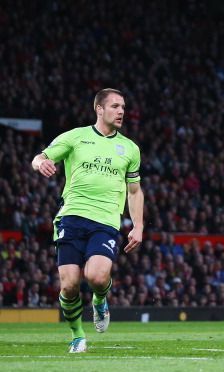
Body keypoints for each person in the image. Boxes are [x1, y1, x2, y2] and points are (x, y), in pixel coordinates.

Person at [31, 88, 144, 353]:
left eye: (123, 107)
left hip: (105, 221)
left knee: (95, 276)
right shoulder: (75, 137)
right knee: (69, 284)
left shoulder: (129, 148)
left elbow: (134, 190)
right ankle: (77, 335)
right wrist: (40, 165)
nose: (121, 112)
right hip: (71, 217)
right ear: (99, 109)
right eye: (115, 106)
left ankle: (100, 299)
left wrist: (138, 226)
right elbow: (40, 157)